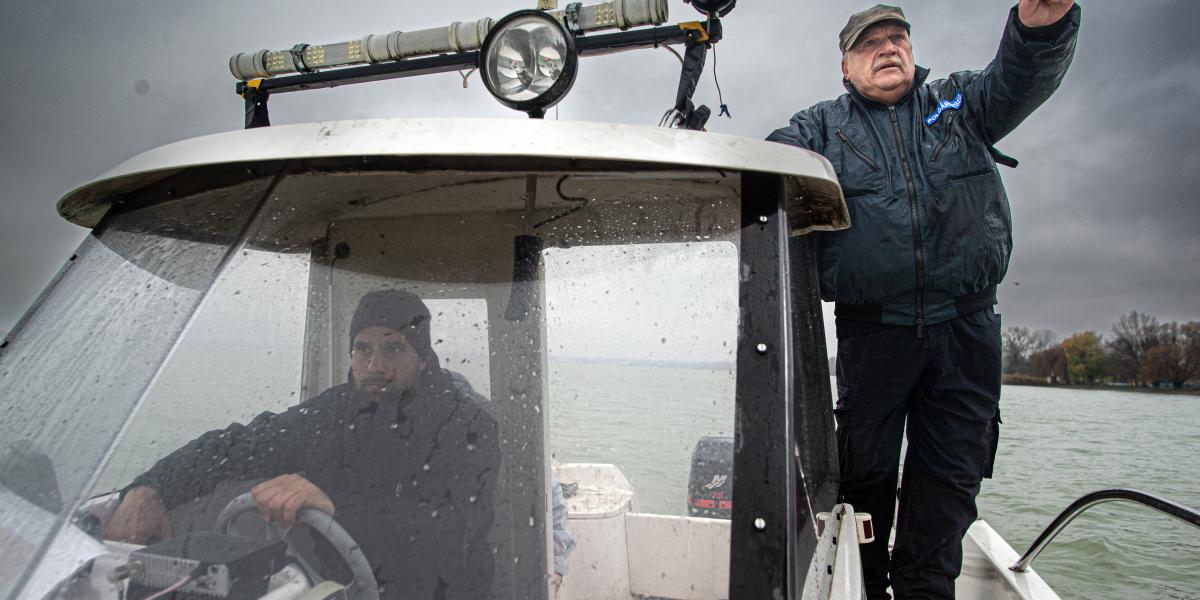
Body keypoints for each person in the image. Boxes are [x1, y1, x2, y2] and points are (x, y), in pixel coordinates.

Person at [767, 2, 1080, 598]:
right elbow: (775, 159)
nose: (888, 49)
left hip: (967, 334)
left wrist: (1042, 27)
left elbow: (1021, 76)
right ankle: (866, 587)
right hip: (872, 337)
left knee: (948, 483)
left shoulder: (957, 103)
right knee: (865, 479)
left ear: (912, 52)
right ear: (846, 65)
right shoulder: (821, 127)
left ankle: (925, 590)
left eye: (897, 39)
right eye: (871, 43)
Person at [104, 289, 501, 599]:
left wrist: (336, 508)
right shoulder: (331, 413)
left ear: (421, 354)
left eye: (393, 348)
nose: (374, 366)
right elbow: (237, 446)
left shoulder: (466, 424)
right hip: (333, 587)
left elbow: (456, 529)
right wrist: (151, 486)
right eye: (363, 349)